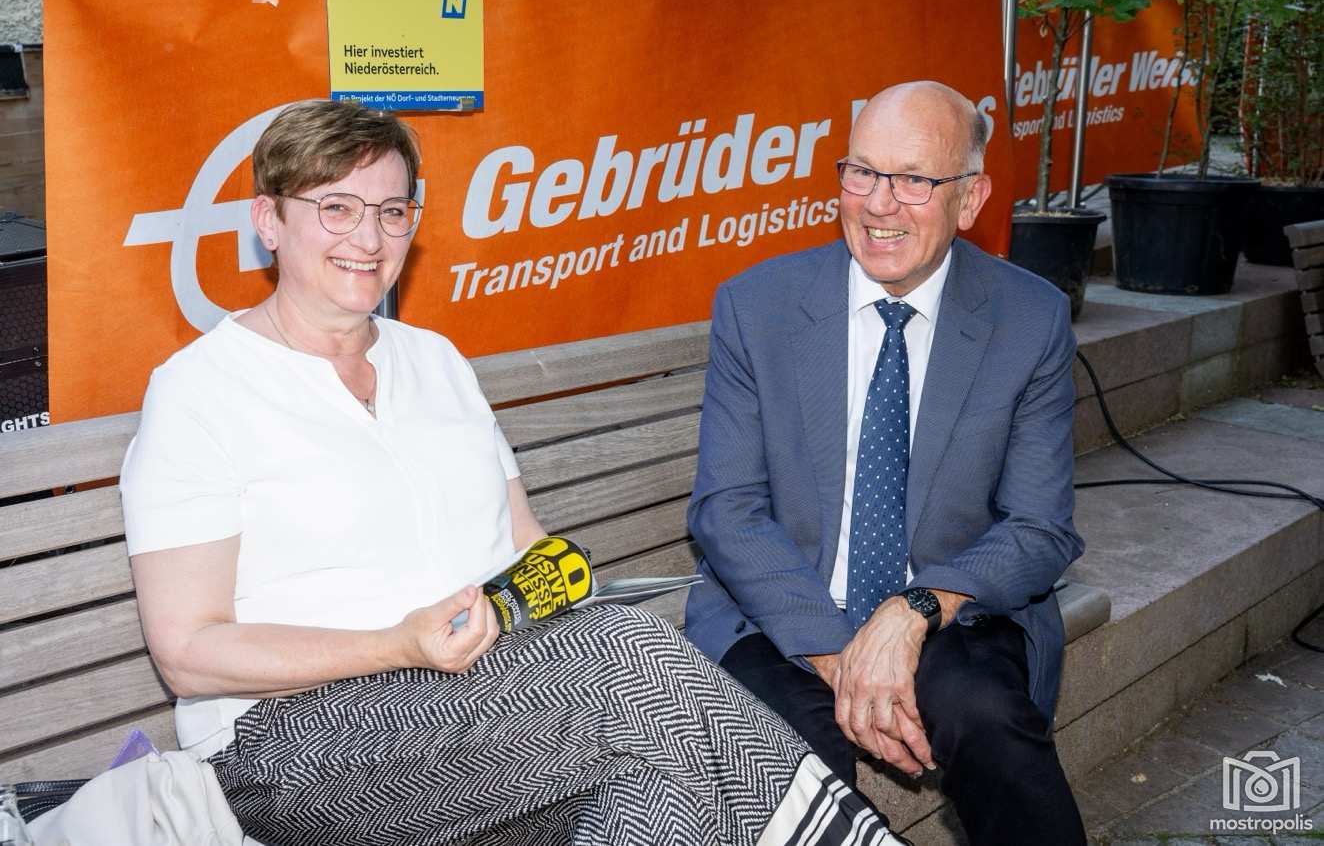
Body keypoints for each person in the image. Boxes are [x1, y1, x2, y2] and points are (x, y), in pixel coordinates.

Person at [120, 99, 903, 846]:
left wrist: (554, 601)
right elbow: (187, 649)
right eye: (336, 207)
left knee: (662, 786)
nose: (369, 236)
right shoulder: (200, 391)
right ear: (268, 220)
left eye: (392, 211)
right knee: (628, 660)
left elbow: (526, 540)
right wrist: (395, 644)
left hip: (487, 714)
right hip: (292, 747)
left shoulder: (436, 361)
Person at [684, 81, 1088, 846]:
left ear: (970, 199)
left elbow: (1040, 527)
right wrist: (846, 660)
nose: (877, 203)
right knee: (791, 768)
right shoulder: (757, 306)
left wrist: (913, 611)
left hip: (949, 613)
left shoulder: (1029, 319)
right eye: (862, 171)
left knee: (988, 719)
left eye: (913, 179)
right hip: (780, 610)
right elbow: (726, 509)